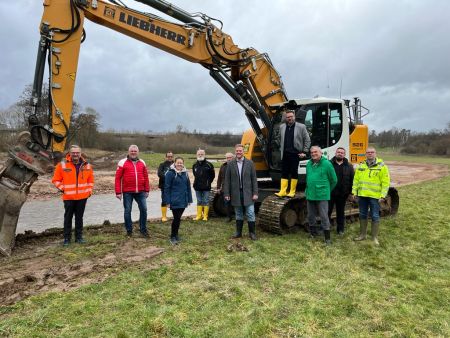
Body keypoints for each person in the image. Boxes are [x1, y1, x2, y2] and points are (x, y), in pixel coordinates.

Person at [52, 145, 94, 246]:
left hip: (82, 197)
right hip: (69, 197)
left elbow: (90, 181)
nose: (75, 154)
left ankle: (79, 237)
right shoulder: (62, 165)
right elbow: (55, 180)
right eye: (73, 153)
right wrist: (63, 189)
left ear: (80, 153)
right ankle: (67, 238)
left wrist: (89, 191)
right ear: (69, 153)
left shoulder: (87, 165)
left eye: (77, 153)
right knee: (68, 218)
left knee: (79, 218)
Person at [352, 147, 390, 245]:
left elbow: (385, 182)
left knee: (375, 215)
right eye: (368, 152)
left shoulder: (382, 166)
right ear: (365, 154)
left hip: (375, 197)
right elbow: (356, 180)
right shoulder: (361, 165)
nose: (370, 154)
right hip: (362, 196)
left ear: (375, 153)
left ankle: (374, 238)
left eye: (372, 152)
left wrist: (383, 195)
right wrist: (354, 192)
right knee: (362, 215)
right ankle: (362, 235)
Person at [223, 144, 259, 240]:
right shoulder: (230, 164)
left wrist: (255, 193)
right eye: (237, 151)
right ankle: (238, 233)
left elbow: (254, 179)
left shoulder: (250, 163)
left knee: (250, 213)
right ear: (235, 151)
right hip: (236, 193)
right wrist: (226, 193)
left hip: (248, 193)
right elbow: (227, 180)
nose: (238, 152)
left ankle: (252, 233)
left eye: (240, 151)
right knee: (238, 213)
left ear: (243, 152)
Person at [115, 145, 150, 237]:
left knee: (144, 209)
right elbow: (117, 178)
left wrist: (147, 190)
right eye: (132, 151)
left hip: (141, 191)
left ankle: (143, 229)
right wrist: (118, 192)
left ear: (138, 152)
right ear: (128, 151)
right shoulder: (122, 162)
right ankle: (129, 231)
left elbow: (146, 177)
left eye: (135, 151)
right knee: (127, 211)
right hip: (127, 192)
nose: (133, 152)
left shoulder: (142, 162)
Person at [306, 146, 337, 245]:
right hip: (310, 194)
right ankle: (313, 233)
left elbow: (334, 180)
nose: (313, 154)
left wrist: (326, 191)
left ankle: (327, 239)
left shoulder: (327, 164)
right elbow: (308, 178)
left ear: (320, 153)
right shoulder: (309, 164)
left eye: (315, 152)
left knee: (324, 216)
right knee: (311, 216)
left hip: (322, 195)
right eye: (312, 152)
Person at [275, 110, 311, 198]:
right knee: (284, 172)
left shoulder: (301, 127)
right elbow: (279, 138)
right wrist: (277, 145)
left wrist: (304, 151)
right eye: (288, 117)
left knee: (294, 172)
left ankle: (292, 191)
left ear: (294, 117)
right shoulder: (282, 127)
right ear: (286, 118)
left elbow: (307, 140)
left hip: (295, 153)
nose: (289, 118)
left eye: (291, 116)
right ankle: (283, 191)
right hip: (285, 153)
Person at [163, 157, 193, 245]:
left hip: (183, 200)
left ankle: (176, 234)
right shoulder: (170, 173)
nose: (179, 164)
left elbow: (188, 187)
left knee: (178, 218)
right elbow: (167, 188)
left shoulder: (185, 173)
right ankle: (173, 236)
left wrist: (189, 199)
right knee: (176, 218)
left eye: (181, 163)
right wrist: (167, 201)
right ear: (174, 163)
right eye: (178, 163)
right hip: (174, 200)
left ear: (183, 164)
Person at [328, 147, 354, 235]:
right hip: (330, 193)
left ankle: (340, 229)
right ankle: (326, 229)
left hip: (342, 194)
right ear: (335, 153)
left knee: (340, 212)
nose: (340, 153)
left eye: (342, 153)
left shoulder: (349, 166)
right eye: (338, 152)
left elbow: (352, 180)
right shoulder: (329, 164)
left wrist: (351, 193)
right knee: (327, 211)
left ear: (344, 155)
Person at [192, 148, 215, 221]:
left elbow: (212, 175)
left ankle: (205, 216)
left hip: (206, 187)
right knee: (199, 201)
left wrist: (208, 182)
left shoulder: (209, 165)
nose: (200, 155)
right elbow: (195, 175)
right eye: (199, 154)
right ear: (196, 155)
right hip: (197, 187)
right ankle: (199, 216)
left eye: (202, 154)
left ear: (204, 155)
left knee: (205, 201)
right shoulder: (194, 165)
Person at [216, 152, 234, 222]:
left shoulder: (236, 166)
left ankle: (238, 215)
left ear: (233, 158)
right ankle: (229, 217)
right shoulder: (223, 166)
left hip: (234, 188)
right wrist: (218, 187)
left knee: (236, 202)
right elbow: (219, 178)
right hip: (225, 188)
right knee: (226, 203)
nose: (228, 159)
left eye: (230, 157)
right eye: (227, 158)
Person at [157, 151, 174, 222]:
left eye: (171, 156)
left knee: (174, 201)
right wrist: (168, 179)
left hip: (173, 187)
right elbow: (159, 174)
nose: (169, 158)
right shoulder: (162, 165)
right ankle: (164, 216)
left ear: (172, 157)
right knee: (164, 200)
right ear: (166, 157)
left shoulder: (175, 164)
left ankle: (175, 216)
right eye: (168, 156)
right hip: (164, 186)